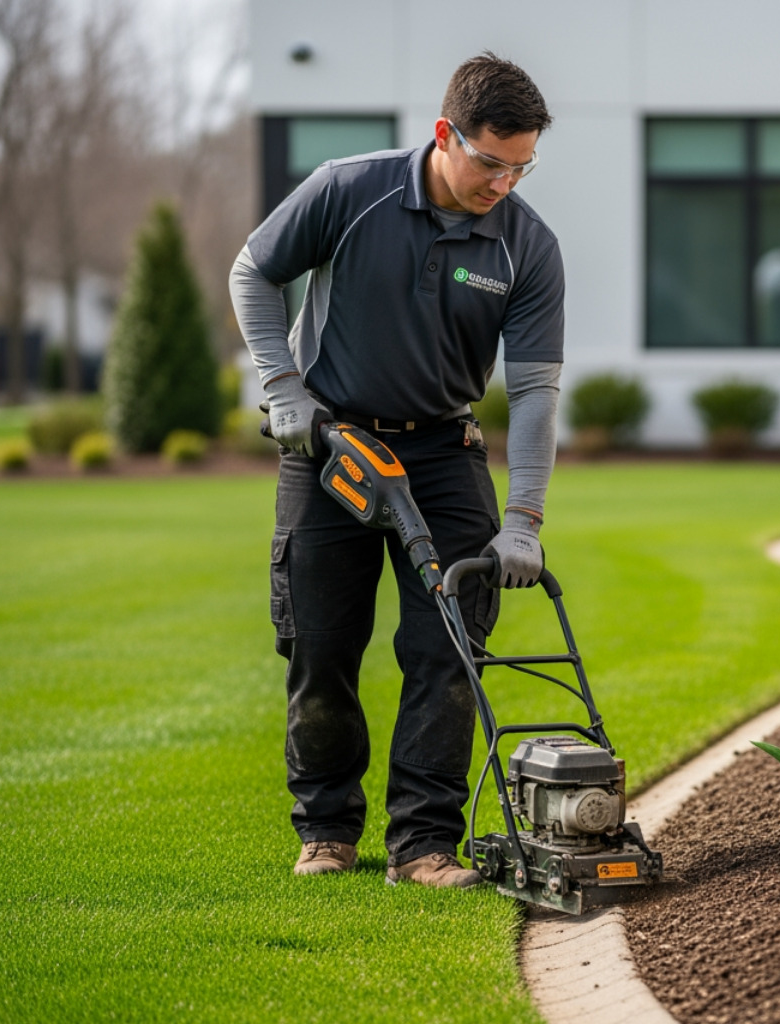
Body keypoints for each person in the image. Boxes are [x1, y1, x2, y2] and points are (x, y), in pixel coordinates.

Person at [228, 53, 563, 888]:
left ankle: (422, 844)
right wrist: (282, 387)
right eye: (491, 161)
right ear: (446, 134)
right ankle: (326, 829)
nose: (504, 182)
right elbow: (253, 272)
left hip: (444, 452)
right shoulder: (350, 189)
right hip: (329, 449)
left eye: (522, 166)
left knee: (449, 645)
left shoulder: (527, 246)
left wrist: (522, 517)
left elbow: (534, 392)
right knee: (322, 645)